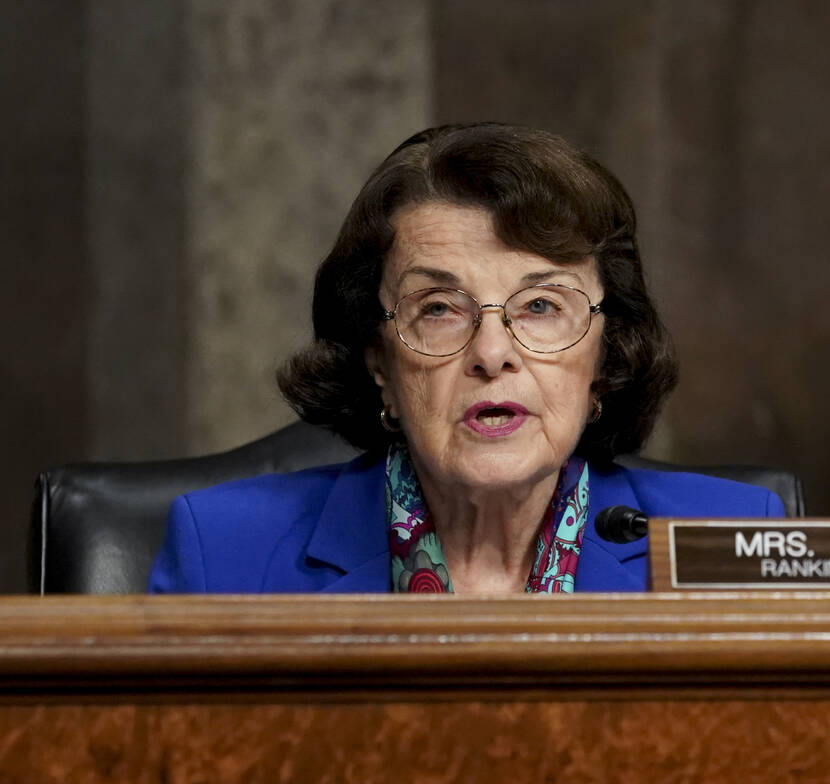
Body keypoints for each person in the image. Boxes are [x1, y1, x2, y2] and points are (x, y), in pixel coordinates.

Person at [150, 123, 784, 594]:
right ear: (380, 366)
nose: (491, 354)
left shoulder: (730, 535)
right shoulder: (225, 552)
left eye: (539, 306)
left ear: (607, 357)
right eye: (439, 308)